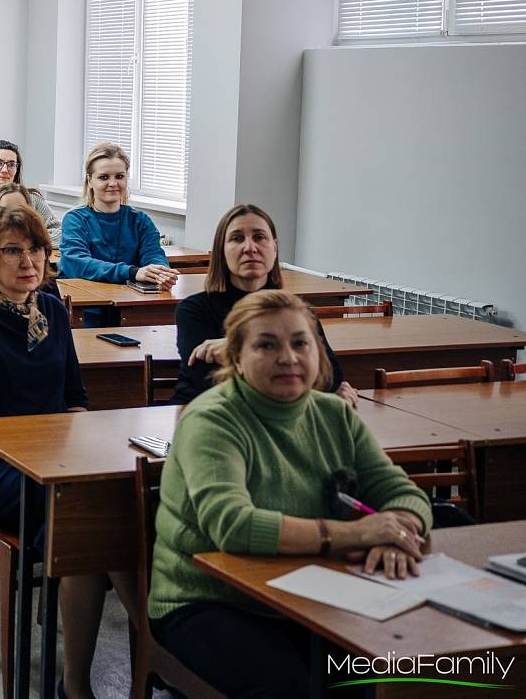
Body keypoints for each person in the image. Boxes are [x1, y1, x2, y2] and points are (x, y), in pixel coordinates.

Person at [149, 290, 432, 698]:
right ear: (237, 358)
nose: (288, 358)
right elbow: (233, 526)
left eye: (301, 343)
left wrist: (398, 533)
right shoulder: (211, 419)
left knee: (386, 674)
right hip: (209, 600)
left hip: (311, 590)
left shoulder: (334, 414)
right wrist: (358, 533)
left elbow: (401, 491)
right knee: (291, 689)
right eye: (267, 345)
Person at [0, 204, 129, 699]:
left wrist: (80, 450)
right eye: (13, 251)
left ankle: (119, 660)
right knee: (85, 515)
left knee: (111, 511)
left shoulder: (52, 310)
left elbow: (75, 397)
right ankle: (102, 669)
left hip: (55, 466)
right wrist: (49, 454)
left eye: (37, 250)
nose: (29, 262)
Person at [173, 204, 355, 407]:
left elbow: (330, 377)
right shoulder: (193, 310)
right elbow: (210, 383)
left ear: (274, 248)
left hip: (282, 416)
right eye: (237, 238)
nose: (250, 248)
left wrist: (232, 349)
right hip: (205, 414)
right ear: (221, 251)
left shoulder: (294, 310)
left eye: (259, 237)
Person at [59, 143, 178, 322]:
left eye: (120, 176)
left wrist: (160, 274)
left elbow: (154, 255)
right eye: (104, 177)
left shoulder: (140, 220)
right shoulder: (75, 219)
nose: (113, 183)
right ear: (90, 181)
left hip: (132, 308)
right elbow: (77, 263)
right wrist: (132, 272)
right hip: (86, 310)